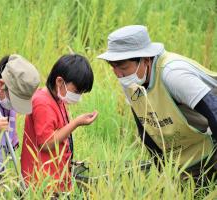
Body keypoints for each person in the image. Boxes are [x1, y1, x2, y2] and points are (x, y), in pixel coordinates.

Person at [97, 25, 217, 180]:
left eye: (123, 67)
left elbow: (214, 111)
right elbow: (146, 128)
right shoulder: (129, 80)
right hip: (190, 153)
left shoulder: (174, 74)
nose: (118, 74)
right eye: (113, 67)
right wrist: (163, 173)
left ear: (145, 59)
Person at [21, 54, 98, 192]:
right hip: (42, 184)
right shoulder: (42, 103)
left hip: (56, 178)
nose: (78, 96)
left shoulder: (58, 99)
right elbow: (46, 143)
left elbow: (60, 136)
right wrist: (76, 123)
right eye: (76, 91)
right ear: (59, 81)